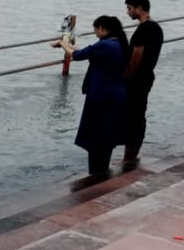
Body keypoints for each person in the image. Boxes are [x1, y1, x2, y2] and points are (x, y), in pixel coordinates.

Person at [54, 15, 129, 175]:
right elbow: (86, 50)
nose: (95, 34)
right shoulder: (119, 43)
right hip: (117, 94)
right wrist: (66, 44)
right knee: (107, 136)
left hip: (101, 96)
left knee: (95, 136)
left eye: (96, 30)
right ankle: (103, 170)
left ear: (102, 28)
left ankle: (96, 174)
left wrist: (62, 43)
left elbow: (77, 55)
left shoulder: (105, 45)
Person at [123, 0, 163, 164]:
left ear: (139, 8)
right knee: (138, 115)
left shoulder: (143, 30)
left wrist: (125, 79)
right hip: (147, 76)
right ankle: (131, 155)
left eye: (129, 8)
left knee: (133, 118)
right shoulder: (156, 28)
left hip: (137, 80)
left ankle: (129, 157)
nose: (128, 12)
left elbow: (135, 60)